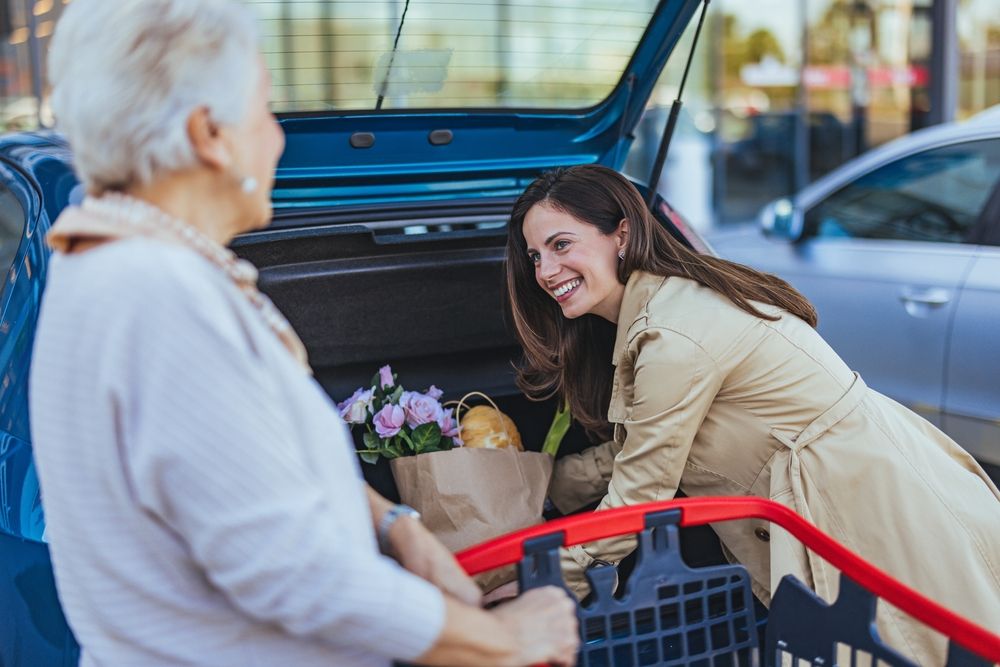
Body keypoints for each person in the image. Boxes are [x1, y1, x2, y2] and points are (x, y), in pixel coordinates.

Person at [28, 1, 579, 666]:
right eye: (264, 110)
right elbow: (297, 574)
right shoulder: (160, 300)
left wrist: (396, 526)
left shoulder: (100, 260)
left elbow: (248, 478)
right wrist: (507, 639)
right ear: (208, 133)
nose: (277, 139)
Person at [503, 164, 1000, 665]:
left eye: (561, 245)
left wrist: (527, 591)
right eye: (535, 256)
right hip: (873, 483)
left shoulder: (673, 335)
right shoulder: (671, 302)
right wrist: (538, 490)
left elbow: (640, 493)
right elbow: (644, 445)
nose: (545, 271)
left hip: (865, 511)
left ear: (623, 235)